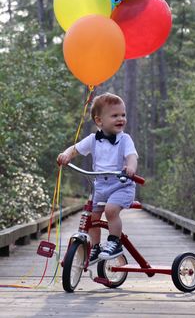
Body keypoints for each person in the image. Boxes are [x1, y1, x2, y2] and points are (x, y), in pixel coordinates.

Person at [57, 92, 138, 264]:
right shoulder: (93, 139)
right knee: (93, 218)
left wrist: (130, 168)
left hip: (122, 186)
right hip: (100, 187)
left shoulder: (125, 139)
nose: (121, 119)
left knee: (110, 211)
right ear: (99, 121)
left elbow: (132, 156)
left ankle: (115, 243)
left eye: (123, 115)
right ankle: (95, 247)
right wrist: (65, 155)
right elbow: (75, 149)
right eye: (115, 115)